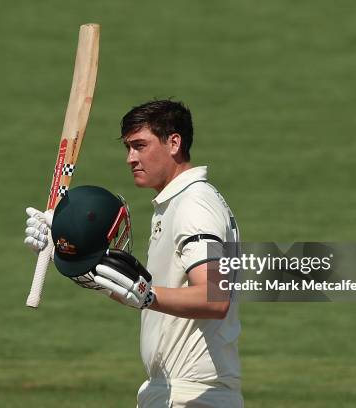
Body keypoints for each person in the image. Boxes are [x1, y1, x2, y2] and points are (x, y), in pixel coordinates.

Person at [25, 100, 243, 408]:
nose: (131, 158)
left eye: (140, 146)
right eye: (128, 147)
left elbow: (214, 298)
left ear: (174, 143)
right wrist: (66, 245)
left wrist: (147, 295)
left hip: (192, 395)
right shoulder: (176, 204)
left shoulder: (194, 205)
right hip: (174, 392)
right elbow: (133, 292)